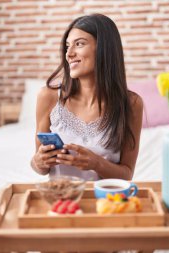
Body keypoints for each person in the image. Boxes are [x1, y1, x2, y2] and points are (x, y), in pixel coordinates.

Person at [30, 14, 143, 180]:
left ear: (105, 48)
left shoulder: (131, 104)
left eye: (79, 44)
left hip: (106, 202)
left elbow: (126, 175)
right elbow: (39, 167)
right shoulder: (48, 97)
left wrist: (96, 163)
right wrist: (39, 162)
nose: (69, 54)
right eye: (67, 46)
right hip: (62, 202)